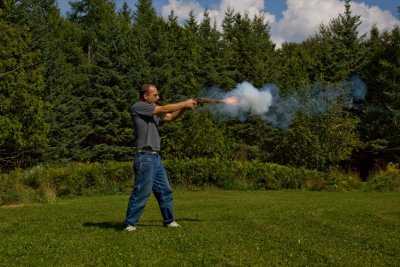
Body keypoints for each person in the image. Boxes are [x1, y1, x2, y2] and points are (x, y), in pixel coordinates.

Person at [124, 84, 197, 231]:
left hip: (155, 157)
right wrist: (184, 102)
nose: (158, 97)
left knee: (165, 190)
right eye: (155, 95)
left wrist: (184, 108)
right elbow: (163, 109)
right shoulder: (139, 106)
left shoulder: (152, 114)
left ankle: (169, 221)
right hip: (145, 156)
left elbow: (170, 116)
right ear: (145, 96)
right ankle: (130, 223)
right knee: (142, 191)